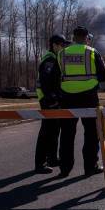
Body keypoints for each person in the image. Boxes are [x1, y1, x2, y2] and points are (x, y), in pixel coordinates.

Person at [57, 26, 105, 178]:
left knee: (67, 134)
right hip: (88, 97)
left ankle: (65, 168)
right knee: (92, 134)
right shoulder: (92, 52)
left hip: (67, 97)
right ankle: (90, 166)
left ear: (73, 38)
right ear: (87, 38)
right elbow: (104, 75)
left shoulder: (62, 53)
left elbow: (56, 76)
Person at [34, 34, 70, 174]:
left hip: (52, 100)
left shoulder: (55, 58)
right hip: (47, 100)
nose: (63, 47)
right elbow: (45, 83)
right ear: (54, 45)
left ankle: (52, 158)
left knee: (55, 130)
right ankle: (40, 163)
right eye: (62, 45)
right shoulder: (49, 60)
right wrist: (52, 99)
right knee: (46, 131)